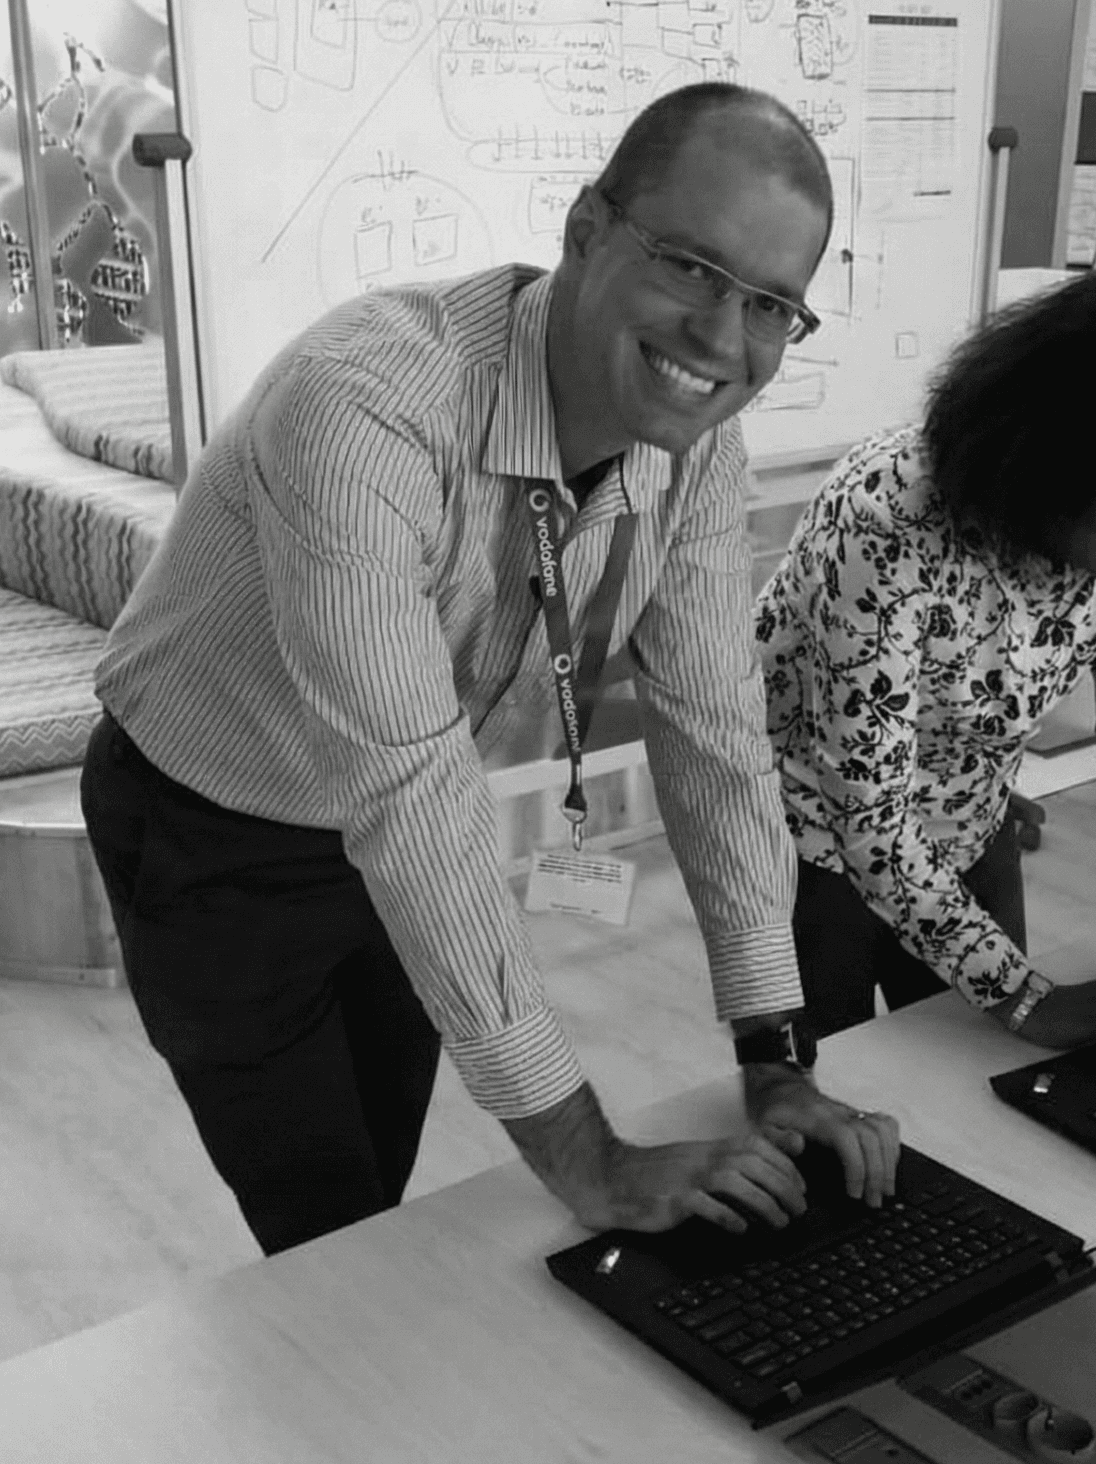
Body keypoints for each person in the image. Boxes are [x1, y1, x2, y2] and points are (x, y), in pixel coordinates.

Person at [80, 83, 897, 1257]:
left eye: (771, 304)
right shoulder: (364, 405)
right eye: (690, 267)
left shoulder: (697, 445)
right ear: (583, 232)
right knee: (329, 1230)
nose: (724, 340)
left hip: (395, 811)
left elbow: (715, 732)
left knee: (382, 1185)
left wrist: (776, 1057)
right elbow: (410, 803)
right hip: (214, 830)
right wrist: (594, 1164)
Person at [757, 261, 1096, 1054]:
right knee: (827, 1095)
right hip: (803, 836)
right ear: (1055, 453)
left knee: (977, 1086)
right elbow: (864, 808)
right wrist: (1021, 997)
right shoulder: (888, 515)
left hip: (966, 823)